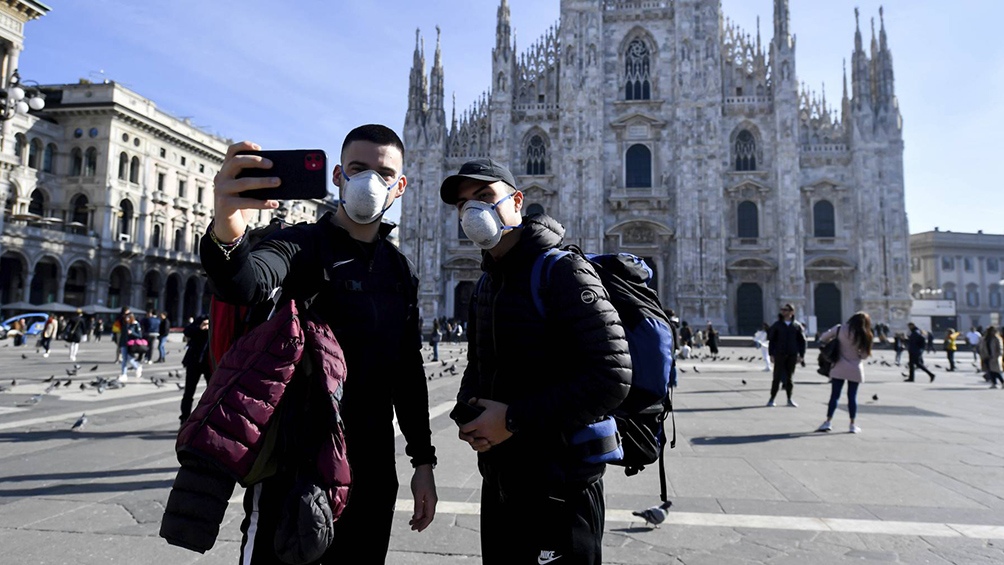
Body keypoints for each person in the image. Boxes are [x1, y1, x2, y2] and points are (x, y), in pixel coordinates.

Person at [203, 125, 437, 563]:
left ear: (401, 186)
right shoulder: (298, 245)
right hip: (295, 465)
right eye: (358, 168)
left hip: (371, 465)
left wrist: (423, 462)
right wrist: (227, 227)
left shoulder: (399, 270)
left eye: (384, 173)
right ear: (338, 176)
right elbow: (244, 282)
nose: (371, 181)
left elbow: (407, 370)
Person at [441, 157, 631, 564]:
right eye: (462, 204)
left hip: (561, 485)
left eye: (485, 197)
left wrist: (512, 419)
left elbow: (611, 377)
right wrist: (469, 413)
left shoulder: (563, 272)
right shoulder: (489, 281)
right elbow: (478, 369)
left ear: (517, 201)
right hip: (502, 481)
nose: (472, 211)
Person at [816, 312, 873, 434]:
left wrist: (836, 342)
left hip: (839, 366)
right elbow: (864, 356)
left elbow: (823, 338)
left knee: (834, 396)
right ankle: (852, 424)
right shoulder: (865, 334)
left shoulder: (839, 328)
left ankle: (828, 422)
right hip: (855, 369)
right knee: (852, 397)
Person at [767, 304, 806, 407]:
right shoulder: (777, 325)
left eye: (785, 310)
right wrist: (771, 354)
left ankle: (789, 399)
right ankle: (772, 399)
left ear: (791, 312)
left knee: (790, 378)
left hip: (792, 354)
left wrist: (801, 355)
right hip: (780, 354)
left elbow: (802, 341)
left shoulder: (797, 326)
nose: (783, 312)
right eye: (782, 310)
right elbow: (772, 340)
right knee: (777, 377)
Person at [179, 316, 211, 424]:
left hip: (210, 363)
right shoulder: (203, 318)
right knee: (188, 392)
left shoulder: (220, 320)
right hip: (194, 361)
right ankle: (184, 418)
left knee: (211, 393)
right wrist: (200, 327)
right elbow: (187, 331)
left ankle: (208, 417)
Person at [119, 311, 143, 381]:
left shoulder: (135, 324)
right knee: (124, 359)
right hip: (124, 343)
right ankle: (124, 374)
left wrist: (132, 333)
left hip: (131, 344)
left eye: (128, 318)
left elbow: (140, 335)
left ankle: (137, 366)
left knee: (129, 359)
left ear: (131, 318)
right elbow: (123, 334)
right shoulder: (125, 324)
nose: (126, 319)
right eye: (126, 318)